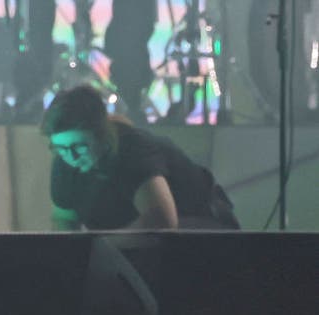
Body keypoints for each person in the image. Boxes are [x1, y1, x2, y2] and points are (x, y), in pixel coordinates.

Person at [42, 84, 240, 230]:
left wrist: (101, 247)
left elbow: (162, 221)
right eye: (60, 147)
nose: (72, 156)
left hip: (208, 234)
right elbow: (63, 219)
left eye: (80, 146)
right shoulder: (65, 161)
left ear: (101, 135)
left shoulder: (133, 153)